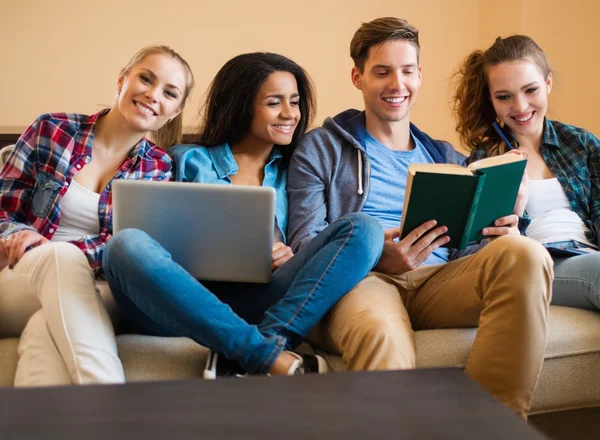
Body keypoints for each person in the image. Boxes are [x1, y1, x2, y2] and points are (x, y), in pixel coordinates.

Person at [287, 17, 553, 418]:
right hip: (364, 280)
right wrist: (376, 255)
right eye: (382, 72)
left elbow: (468, 245)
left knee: (526, 253)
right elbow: (304, 247)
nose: (397, 84)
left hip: (438, 283)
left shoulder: (445, 156)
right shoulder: (320, 147)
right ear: (357, 77)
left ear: (419, 75)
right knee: (381, 330)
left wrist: (505, 224)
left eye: (407, 71)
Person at [102, 52, 383, 378]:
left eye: (294, 102)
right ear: (242, 105)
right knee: (124, 245)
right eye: (274, 102)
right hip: (179, 303)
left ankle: (260, 344)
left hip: (262, 300)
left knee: (365, 229)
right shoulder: (184, 160)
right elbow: (153, 244)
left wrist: (291, 256)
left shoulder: (299, 171)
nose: (290, 114)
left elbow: (315, 246)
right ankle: (262, 354)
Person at [0, 45, 195, 386]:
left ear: (174, 111)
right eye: (145, 79)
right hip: (19, 278)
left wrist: (59, 249)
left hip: (101, 290)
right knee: (58, 260)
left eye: (169, 92)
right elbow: (3, 209)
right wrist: (18, 237)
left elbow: (128, 250)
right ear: (122, 80)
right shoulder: (52, 130)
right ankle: (111, 408)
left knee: (44, 329)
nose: (152, 94)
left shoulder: (160, 168)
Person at [452, 34, 600, 311]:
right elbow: (469, 252)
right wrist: (515, 214)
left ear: (548, 83)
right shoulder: (486, 160)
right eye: (504, 96)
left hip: (588, 252)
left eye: (530, 90)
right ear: (491, 99)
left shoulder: (581, 144)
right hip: (537, 263)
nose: (520, 107)